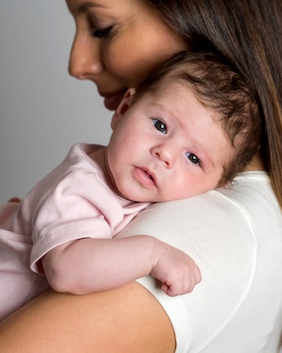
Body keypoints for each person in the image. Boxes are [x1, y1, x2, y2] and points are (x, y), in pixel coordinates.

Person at [0, 0, 282, 352]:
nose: (78, 64)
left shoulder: (202, 230)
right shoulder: (226, 204)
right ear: (125, 109)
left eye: (103, 27)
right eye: (160, 126)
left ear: (204, 5)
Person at [0, 50, 262, 321]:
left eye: (193, 158)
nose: (165, 154)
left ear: (218, 185)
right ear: (124, 109)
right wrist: (152, 253)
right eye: (160, 125)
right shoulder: (79, 186)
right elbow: (66, 269)